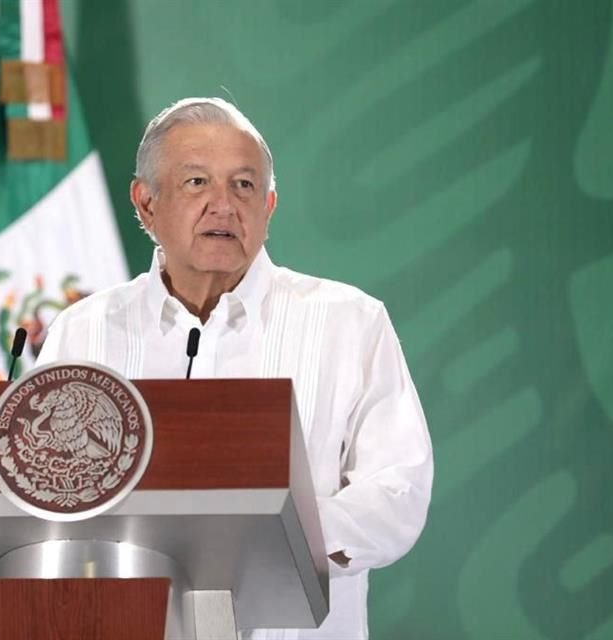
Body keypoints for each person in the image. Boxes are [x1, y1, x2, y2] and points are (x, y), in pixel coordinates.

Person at [36, 97, 433, 640]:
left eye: (244, 186)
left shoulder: (350, 323)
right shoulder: (83, 331)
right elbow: (43, 498)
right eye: (197, 183)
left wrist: (273, 537)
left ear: (269, 205)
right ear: (146, 203)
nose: (224, 206)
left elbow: (397, 495)